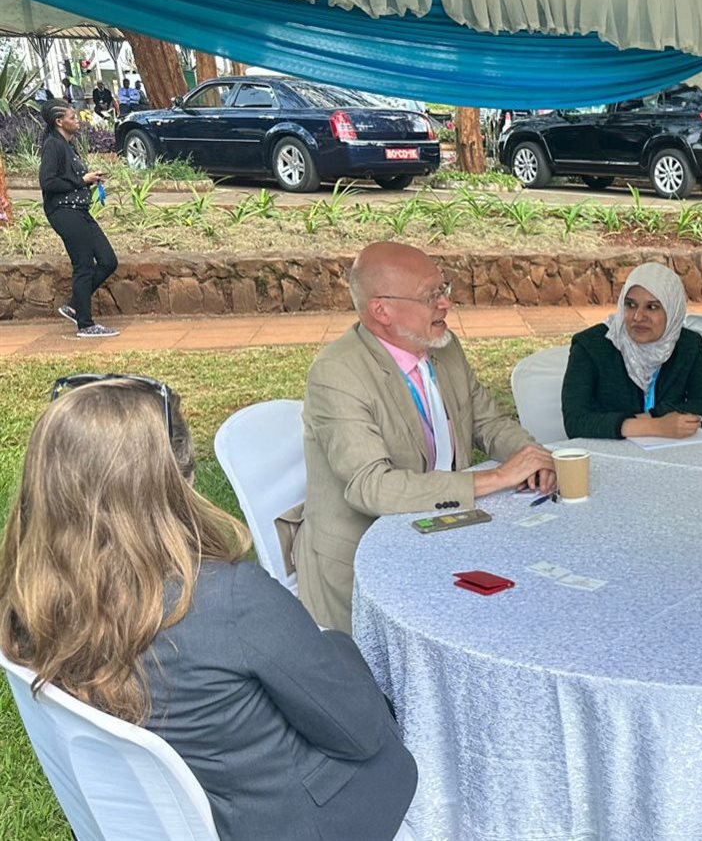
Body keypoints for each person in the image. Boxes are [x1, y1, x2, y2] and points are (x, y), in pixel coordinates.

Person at [1, 377, 418, 841]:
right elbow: (360, 731)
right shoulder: (230, 601)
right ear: (177, 485)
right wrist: (339, 646)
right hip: (305, 822)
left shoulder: (25, 603)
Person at [281, 241, 556, 631]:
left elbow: (489, 423)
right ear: (382, 310)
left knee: (524, 604)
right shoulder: (337, 373)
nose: (446, 303)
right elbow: (371, 487)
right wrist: (496, 477)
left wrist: (534, 457)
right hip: (365, 562)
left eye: (444, 289)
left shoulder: (443, 347)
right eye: (431, 296)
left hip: (444, 532)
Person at [562, 262, 702, 440]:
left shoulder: (688, 345)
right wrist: (656, 426)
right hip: (609, 451)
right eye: (630, 305)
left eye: (652, 307)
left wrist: (653, 415)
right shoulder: (590, 346)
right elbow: (575, 421)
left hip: (670, 449)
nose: (638, 317)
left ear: (672, 310)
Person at [38, 100, 118, 338]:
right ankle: (85, 324)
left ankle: (75, 305)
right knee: (83, 265)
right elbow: (48, 182)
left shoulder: (68, 145)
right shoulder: (53, 145)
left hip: (79, 210)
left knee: (108, 260)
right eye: (72, 117)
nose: (77, 120)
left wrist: (89, 179)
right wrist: (81, 180)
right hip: (63, 212)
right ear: (59, 122)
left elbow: (69, 178)